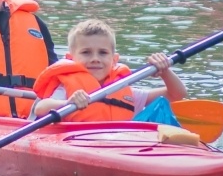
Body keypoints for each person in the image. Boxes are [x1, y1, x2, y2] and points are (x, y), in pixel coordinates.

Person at [32, 19, 188, 121]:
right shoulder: (67, 89)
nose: (95, 58)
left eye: (103, 53)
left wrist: (165, 72)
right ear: (71, 58)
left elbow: (176, 94)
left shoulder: (123, 90)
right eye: (86, 52)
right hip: (78, 144)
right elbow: (40, 108)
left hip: (118, 146)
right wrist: (67, 103)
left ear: (114, 60)